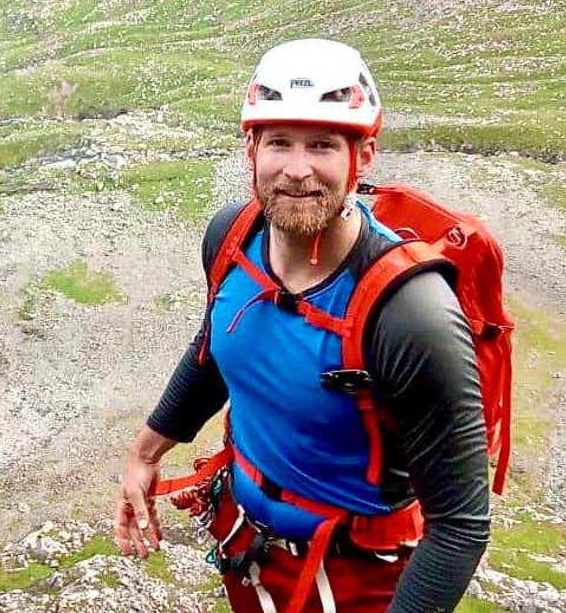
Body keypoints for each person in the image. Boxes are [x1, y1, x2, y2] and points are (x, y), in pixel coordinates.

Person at [113, 38, 490, 613]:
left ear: (361, 157)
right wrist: (145, 453)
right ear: (251, 148)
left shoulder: (412, 315)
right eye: (280, 143)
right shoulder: (231, 240)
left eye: (321, 145)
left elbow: (460, 526)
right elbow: (216, 347)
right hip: (251, 552)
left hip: (359, 581)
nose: (297, 169)